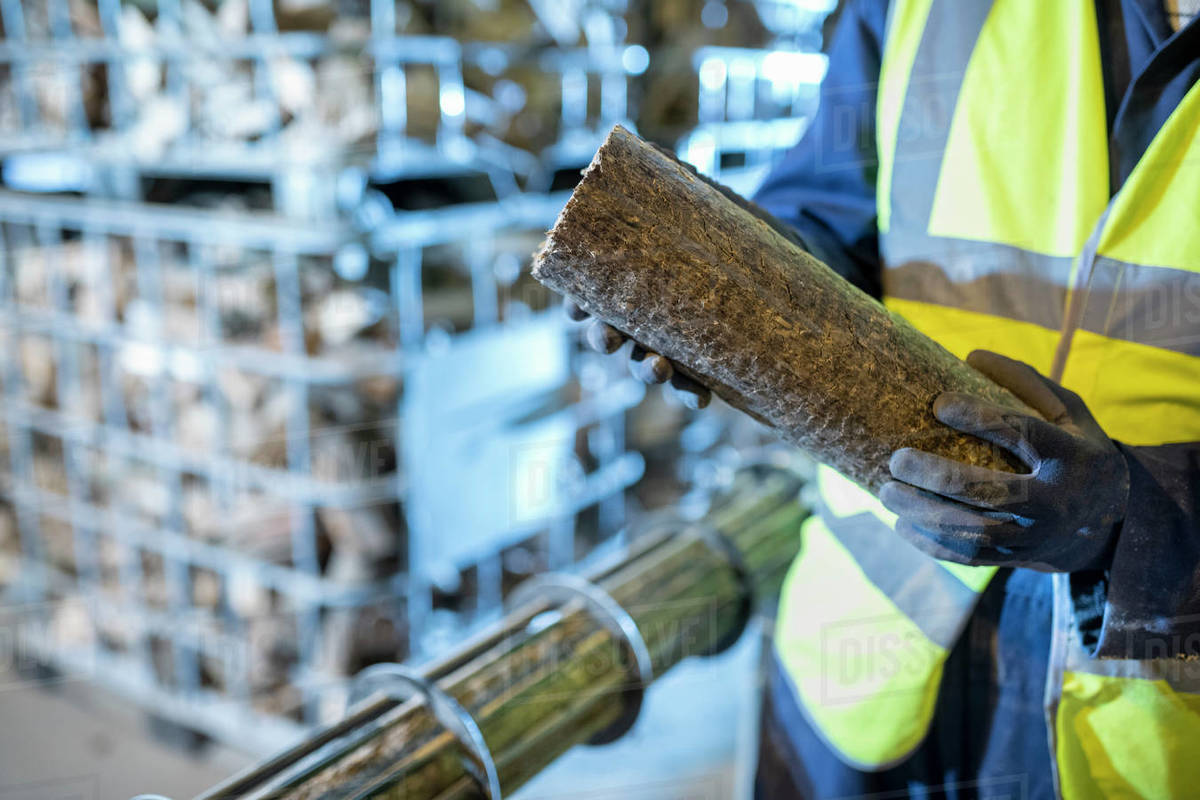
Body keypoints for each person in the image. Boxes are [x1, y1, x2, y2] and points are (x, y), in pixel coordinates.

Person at [572, 1, 1200, 796]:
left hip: (1146, 737)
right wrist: (728, 276)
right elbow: (831, 219)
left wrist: (1136, 527)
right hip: (862, 673)